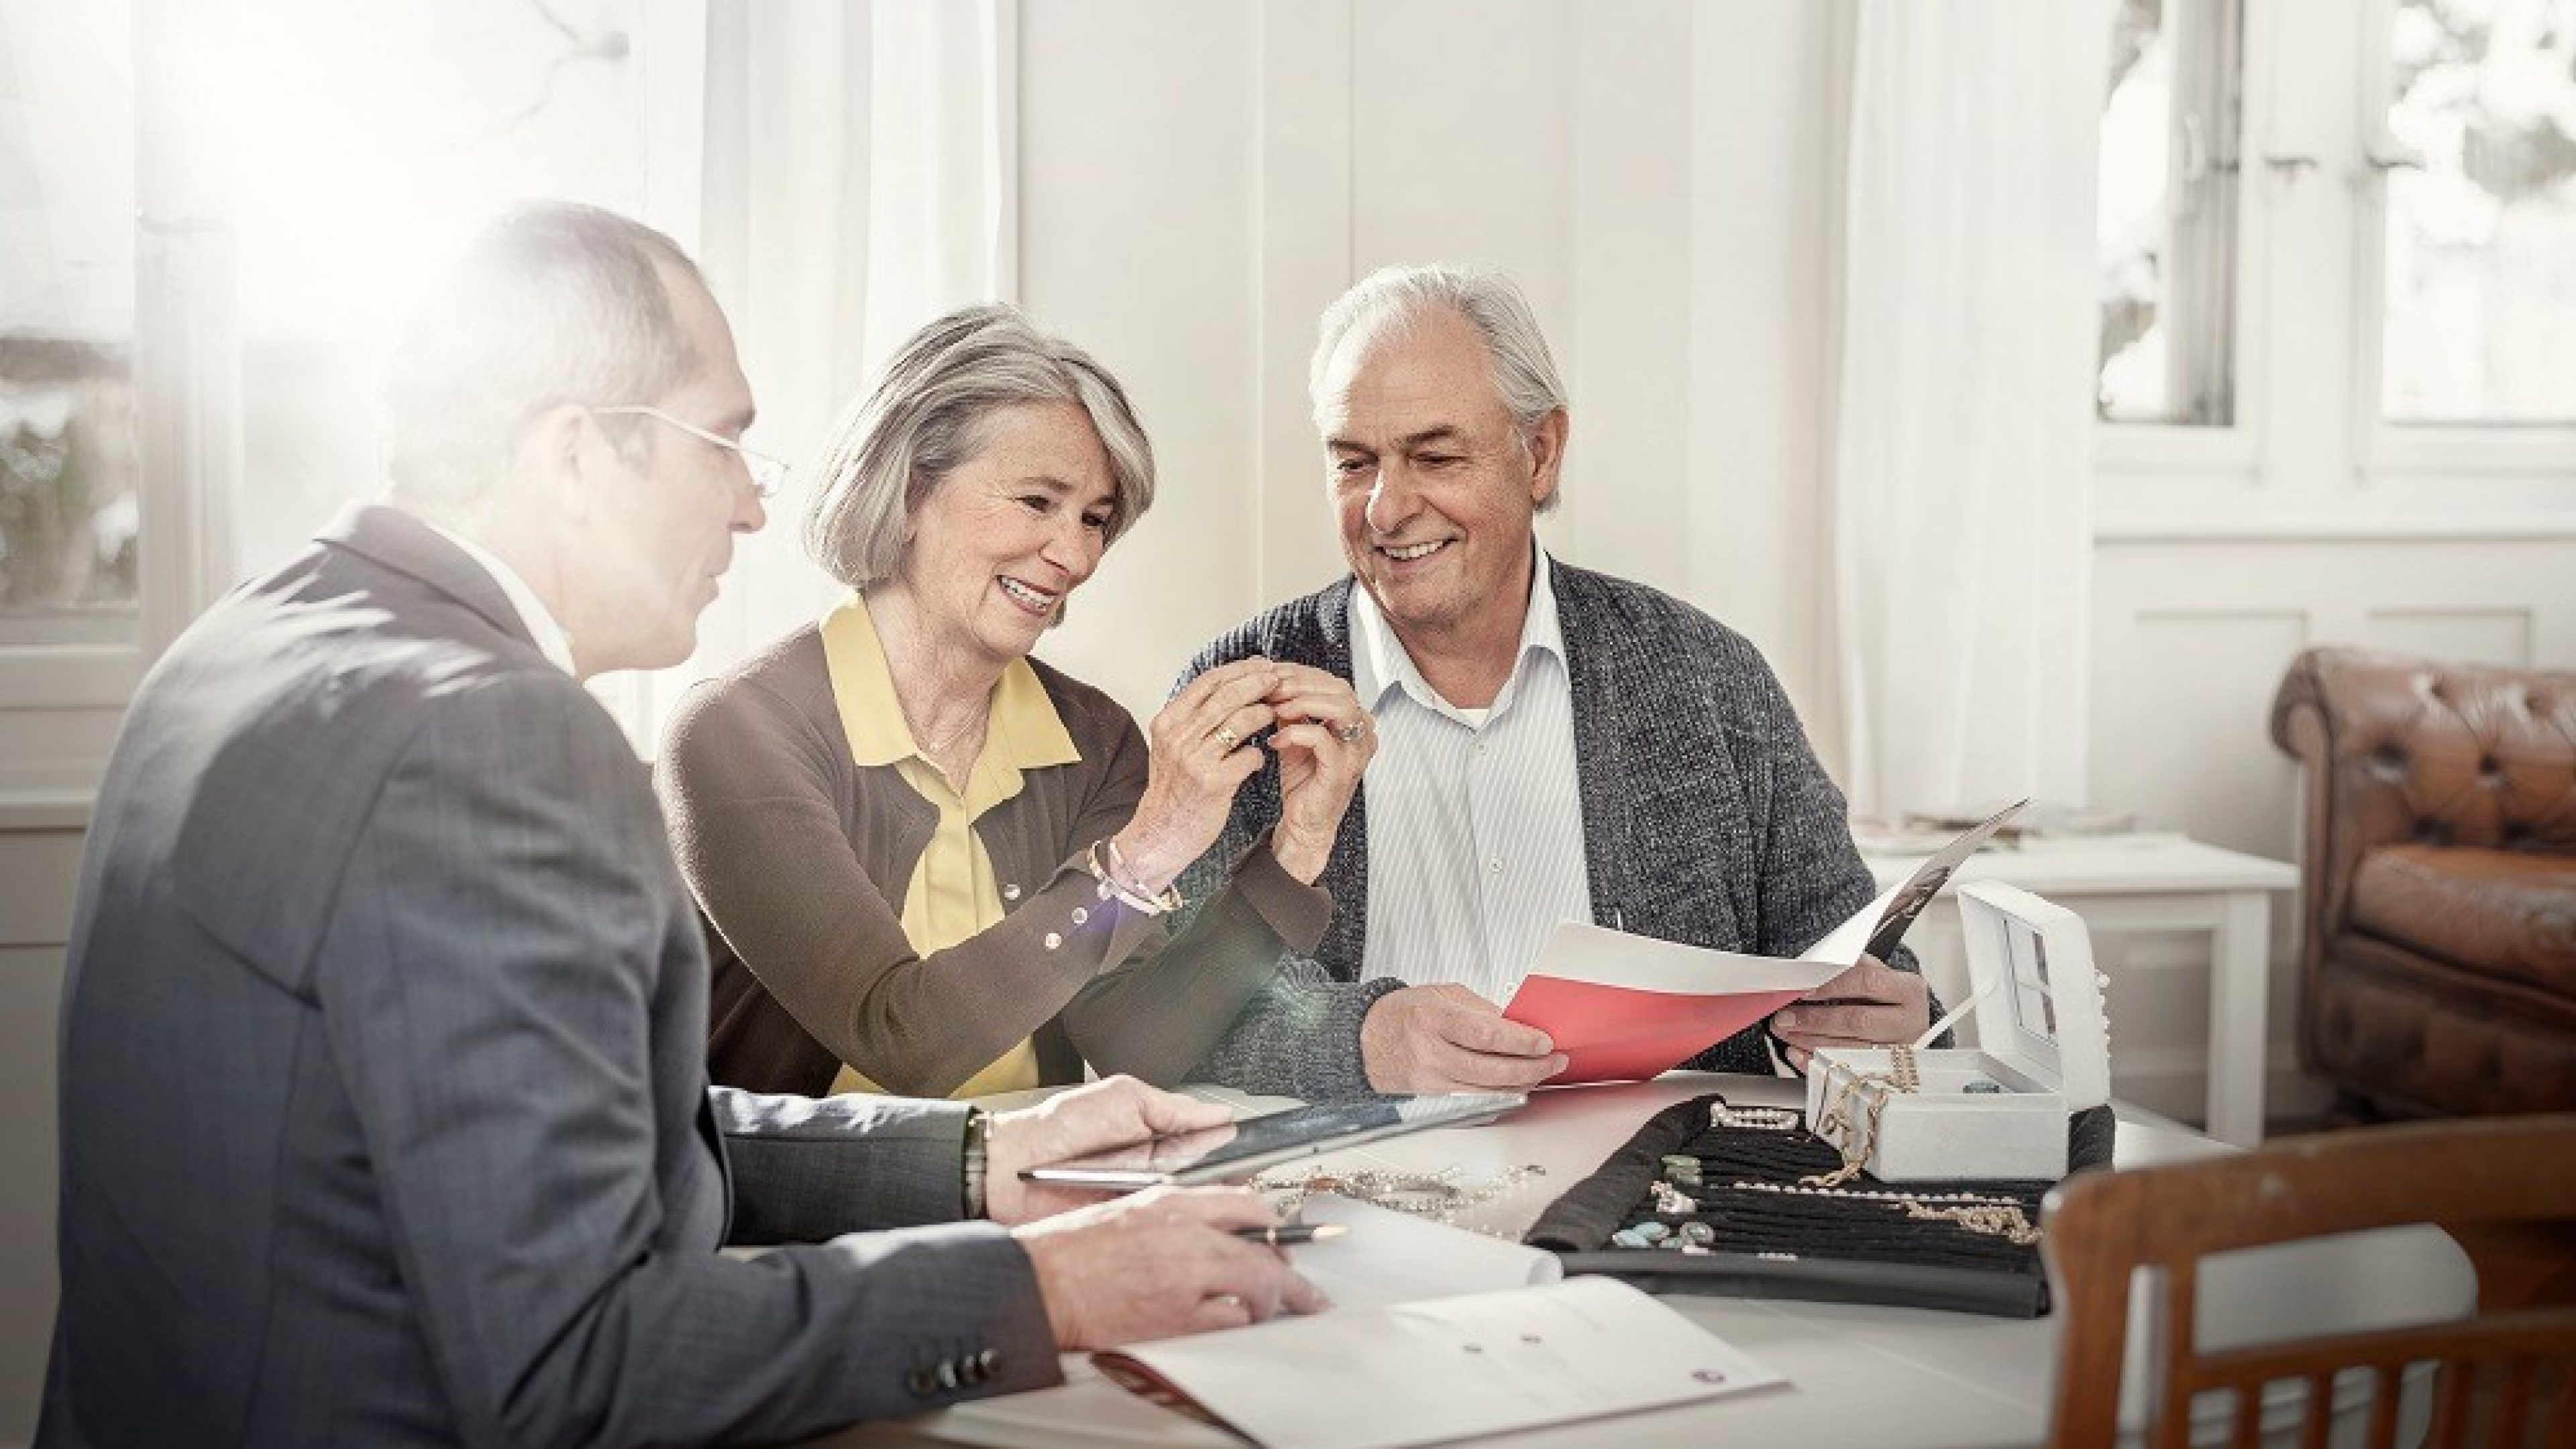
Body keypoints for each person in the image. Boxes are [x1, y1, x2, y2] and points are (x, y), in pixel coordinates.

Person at [38, 203, 1318, 1449]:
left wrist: (974, 1160)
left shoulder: (246, 638)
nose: (753, 508)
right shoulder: (501, 740)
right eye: (722, 443)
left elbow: (606, 1138)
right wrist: (1039, 1292)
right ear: (578, 453)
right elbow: (578, 1362)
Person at [1170, 262, 1936, 1099]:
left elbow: (1855, 961)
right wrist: (1356, 1042)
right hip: (1356, 1202)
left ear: (1539, 453)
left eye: (1435, 456)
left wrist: (1887, 1016)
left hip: (1662, 1204)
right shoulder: (1241, 698)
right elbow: (1162, 1026)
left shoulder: (1708, 678)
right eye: (1354, 463)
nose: (1387, 508)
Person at [657, 305, 1372, 1100]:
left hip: (1036, 1204)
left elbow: (1134, 1039)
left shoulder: (1092, 741)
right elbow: (903, 1037)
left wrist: (1293, 856)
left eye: (1095, 520)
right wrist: (1140, 858)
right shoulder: (737, 734)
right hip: (812, 1221)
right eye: (1038, 502)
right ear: (909, 490)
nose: (1073, 555)